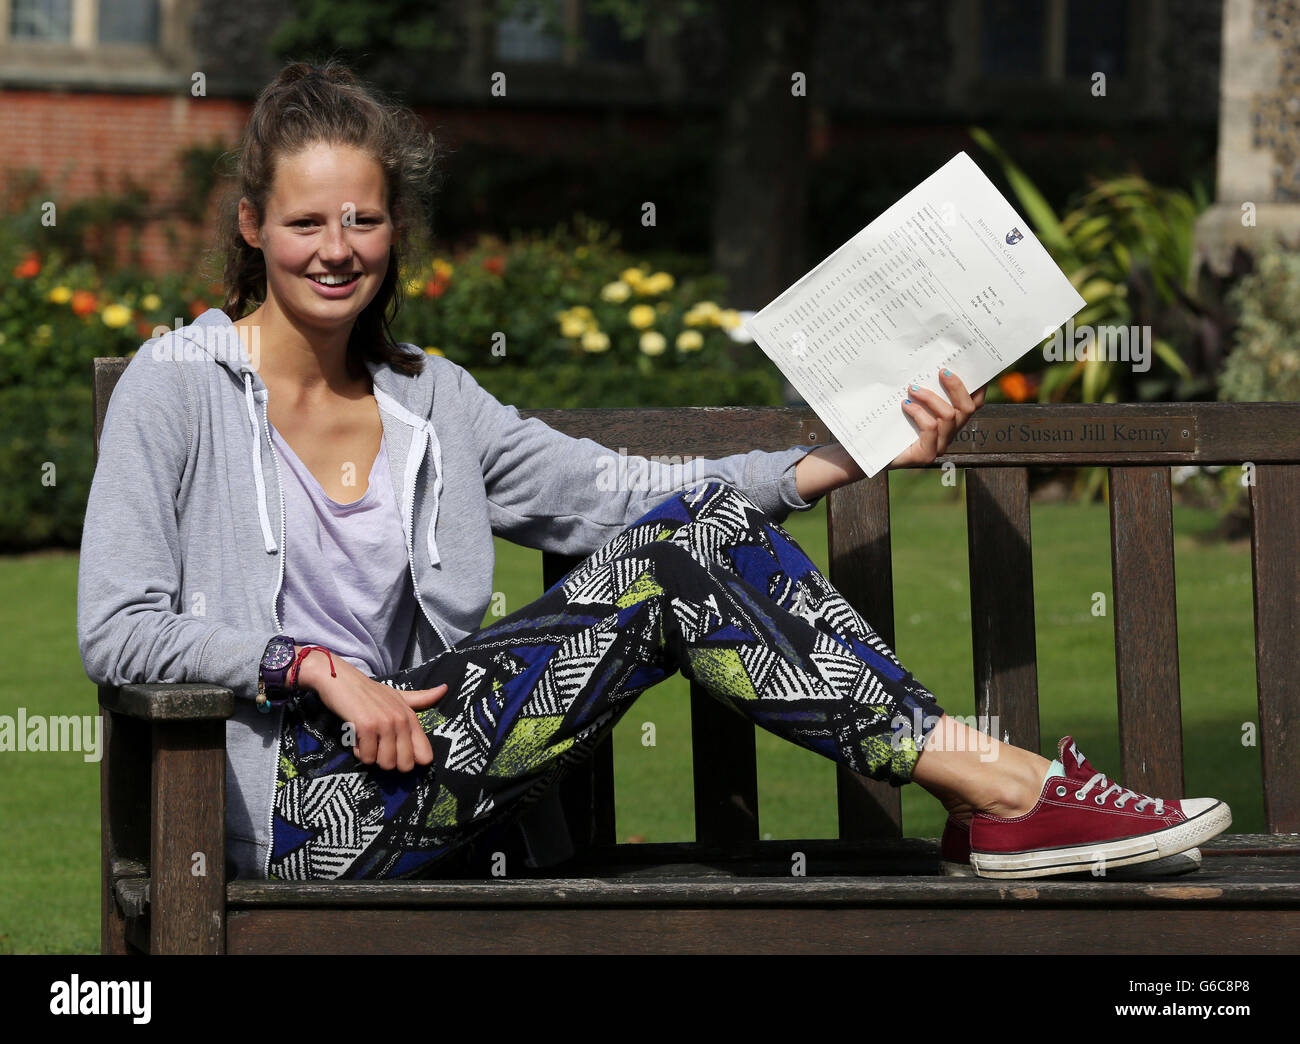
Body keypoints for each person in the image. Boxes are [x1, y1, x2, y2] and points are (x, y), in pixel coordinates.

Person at [77, 59, 1230, 884]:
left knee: (682, 538)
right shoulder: (175, 388)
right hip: (295, 812)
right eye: (306, 222)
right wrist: (309, 665)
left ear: (394, 233)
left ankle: (998, 789)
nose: (338, 249)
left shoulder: (430, 396)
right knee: (682, 550)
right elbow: (116, 627)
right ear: (249, 225)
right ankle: (1004, 791)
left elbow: (621, 498)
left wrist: (845, 456)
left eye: (365, 220)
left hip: (437, 759)